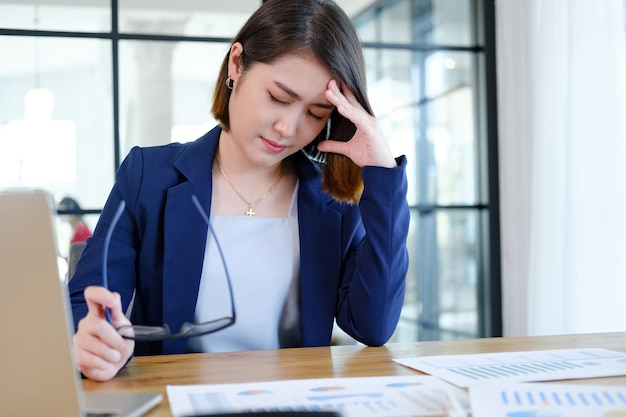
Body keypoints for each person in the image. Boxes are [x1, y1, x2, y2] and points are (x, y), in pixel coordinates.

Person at [69, 0, 410, 382]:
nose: (287, 127)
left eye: (315, 114)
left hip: (295, 403)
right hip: (175, 399)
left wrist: (382, 174)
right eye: (278, 98)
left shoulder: (332, 200)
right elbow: (85, 301)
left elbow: (373, 325)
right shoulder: (148, 176)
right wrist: (88, 339)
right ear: (237, 65)